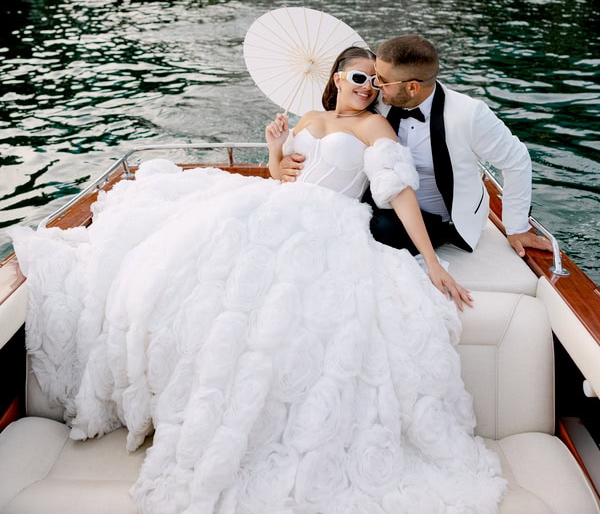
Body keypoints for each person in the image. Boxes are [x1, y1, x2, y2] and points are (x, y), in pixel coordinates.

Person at [9, 45, 506, 513]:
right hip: (276, 206)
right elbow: (281, 177)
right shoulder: (310, 119)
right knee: (194, 260)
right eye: (359, 78)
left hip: (329, 223)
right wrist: (273, 151)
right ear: (337, 78)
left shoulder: (376, 127)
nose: (369, 88)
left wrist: (432, 262)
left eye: (375, 82)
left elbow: (396, 192)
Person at [281, 35, 552, 260]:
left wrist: (516, 226)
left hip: (437, 216)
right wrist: (284, 161)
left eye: (382, 81)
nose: (374, 87)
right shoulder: (381, 99)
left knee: (375, 232)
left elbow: (517, 160)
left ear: (411, 87)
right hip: (376, 199)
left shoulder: (470, 114)